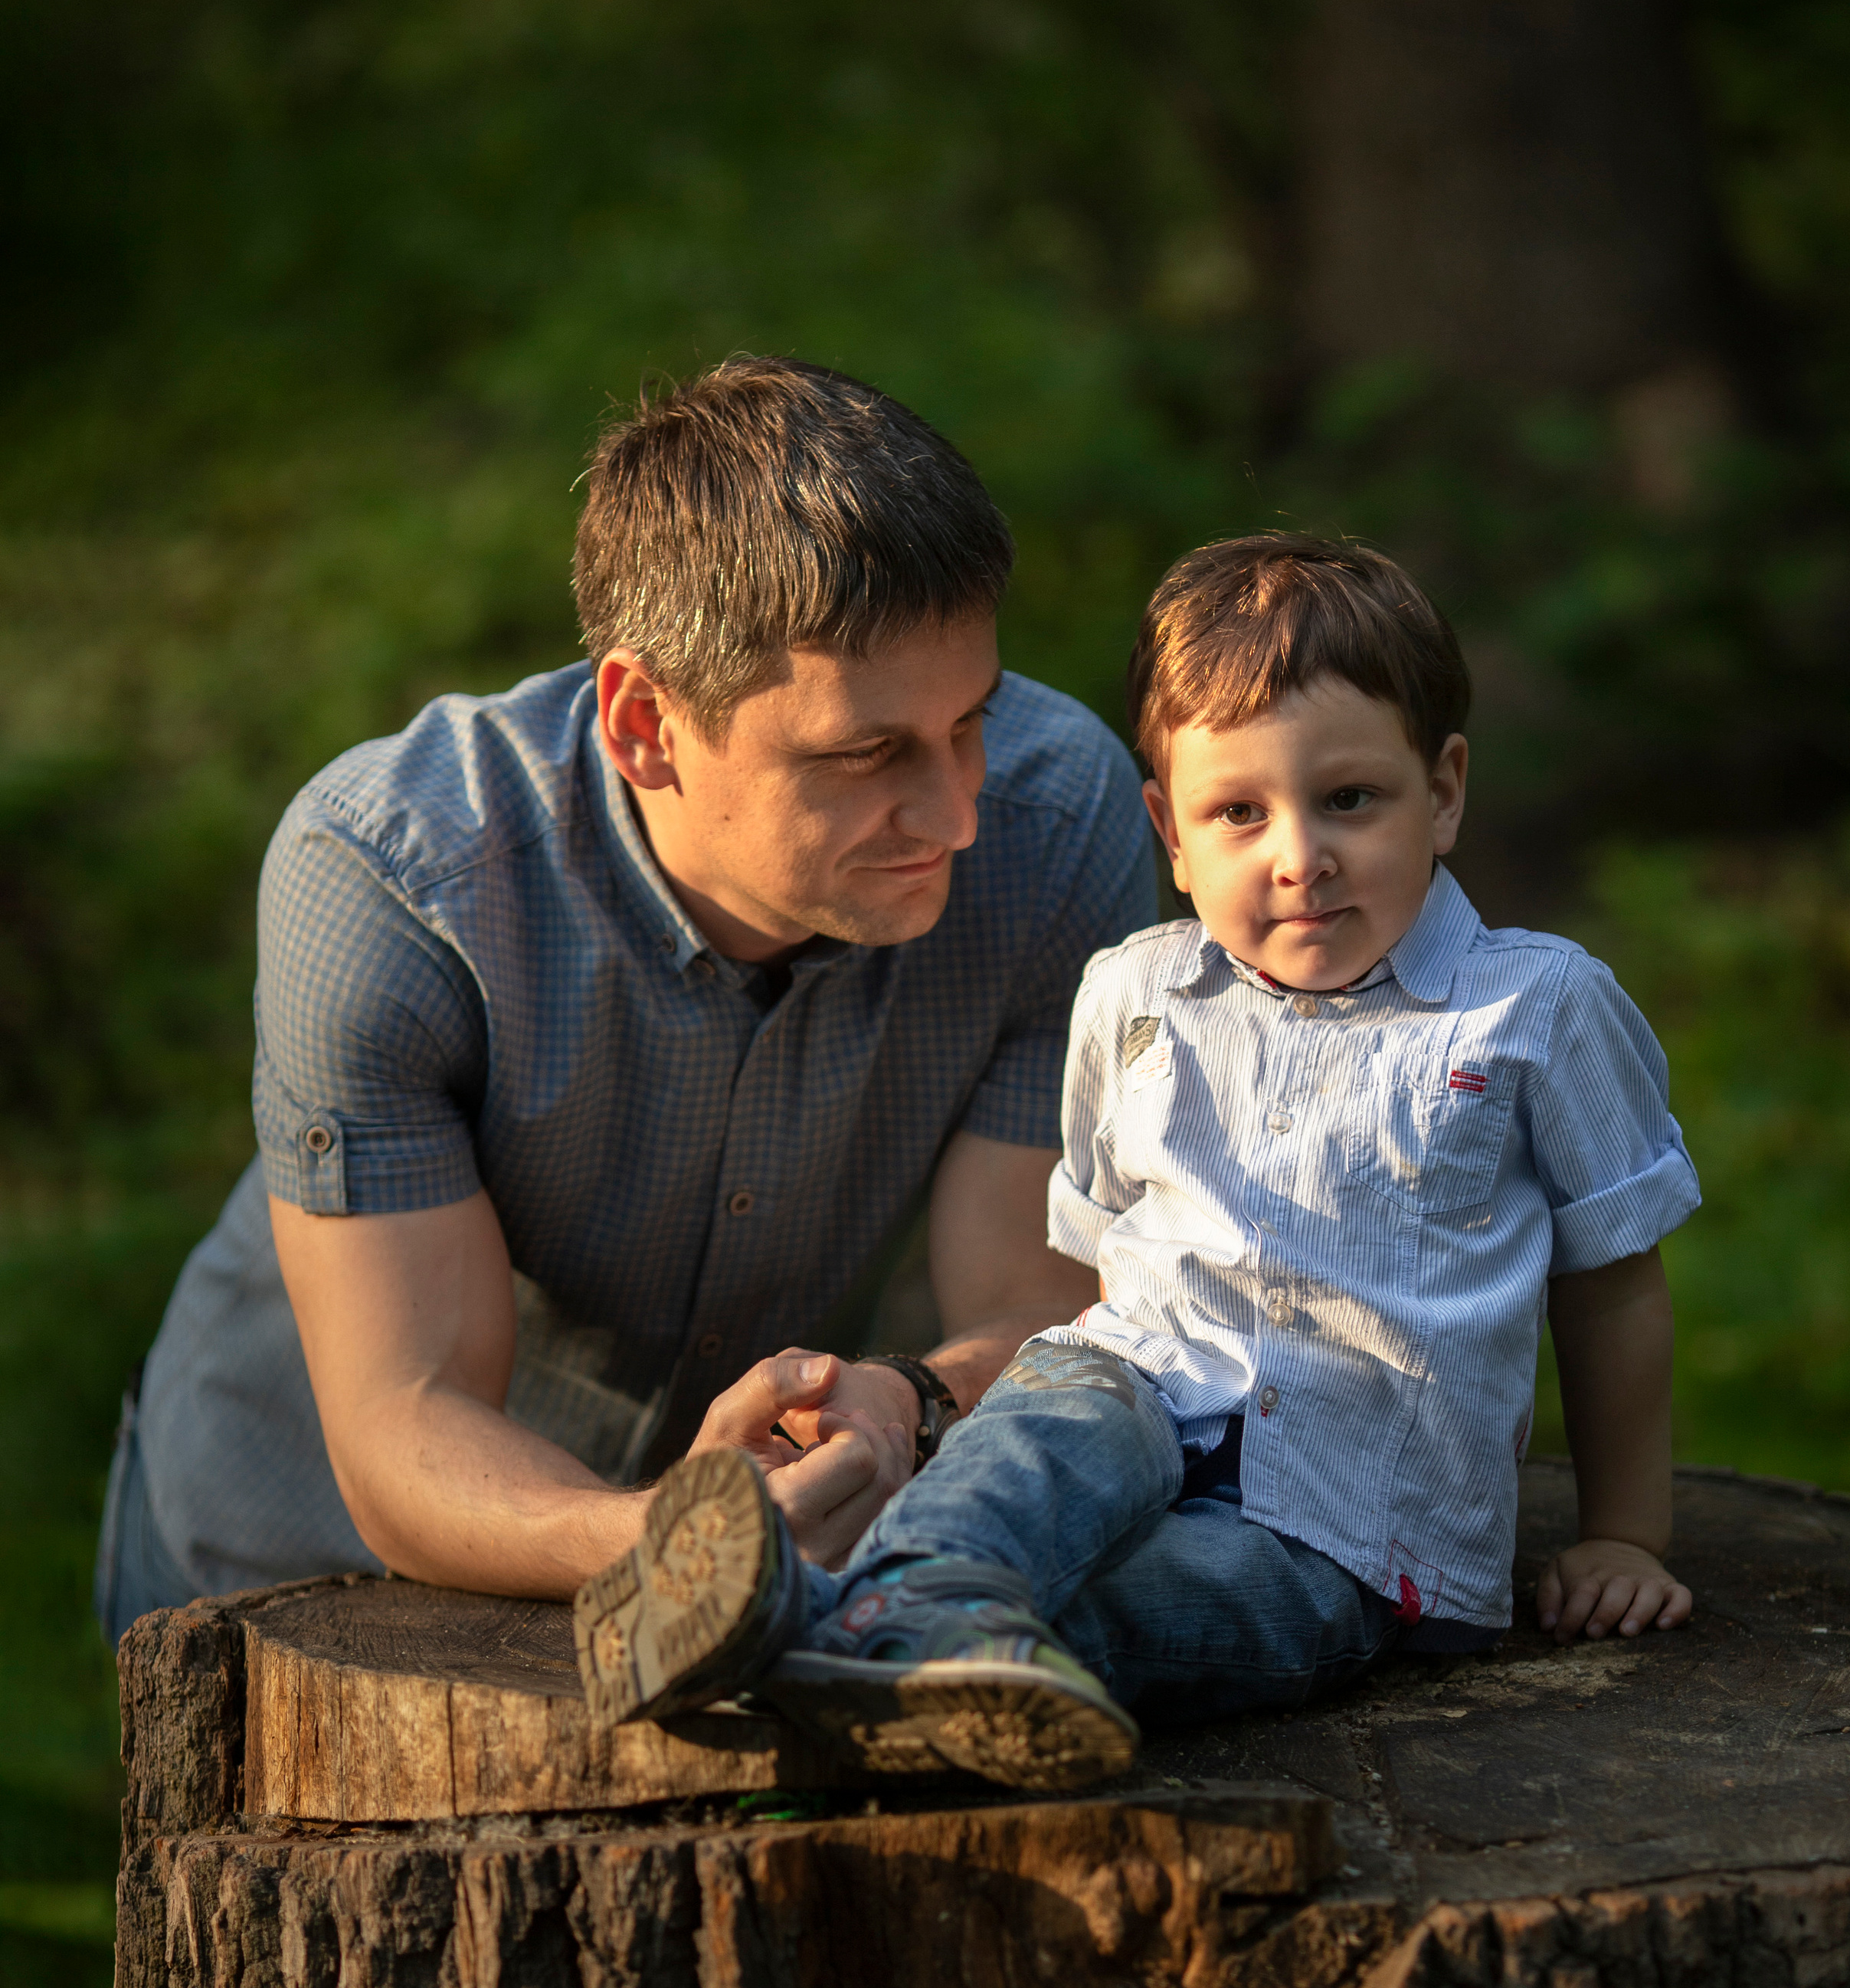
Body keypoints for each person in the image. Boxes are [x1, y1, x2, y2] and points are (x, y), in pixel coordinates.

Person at [571, 532, 1702, 1792]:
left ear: (1442, 791)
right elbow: (1107, 1274)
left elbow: (1613, 1287)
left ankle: (813, 1634)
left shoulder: (1532, 1011)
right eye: (1238, 812)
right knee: (1045, 1433)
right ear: (1170, 828)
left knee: (1139, 1605)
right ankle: (910, 1607)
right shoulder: (1136, 993)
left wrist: (1621, 1535)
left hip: (1344, 1526)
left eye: (1350, 801)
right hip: (1140, 1392)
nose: (1298, 857)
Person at [93, 358, 1157, 1644]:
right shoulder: (392, 878)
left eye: (971, 722)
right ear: (646, 723)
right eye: (868, 754)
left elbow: (1034, 1301)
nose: (959, 810)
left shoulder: (1062, 824)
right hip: (288, 1584)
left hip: (734, 1581)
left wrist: (907, 1402)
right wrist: (689, 1533)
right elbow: (406, 1420)